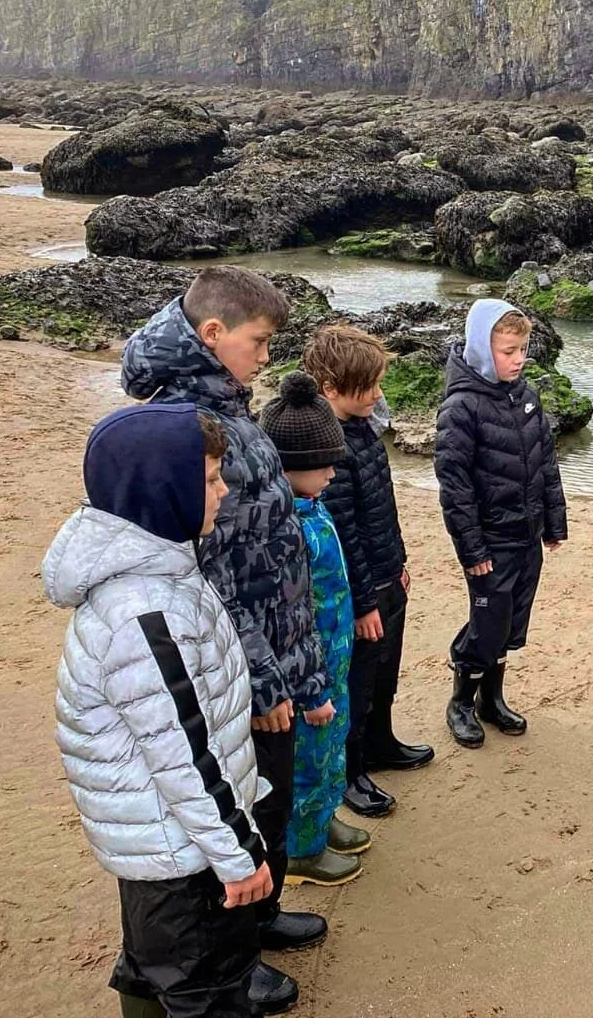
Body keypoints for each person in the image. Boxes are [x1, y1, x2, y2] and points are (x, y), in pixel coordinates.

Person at [121, 266, 323, 1014]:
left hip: (269, 648)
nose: (268, 356)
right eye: (259, 342)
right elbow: (214, 576)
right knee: (245, 807)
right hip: (241, 666)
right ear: (211, 335)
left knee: (265, 803)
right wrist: (268, 682)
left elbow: (262, 551)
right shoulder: (187, 426)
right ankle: (234, 961)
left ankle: (260, 924)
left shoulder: (229, 406)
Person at [49, 403, 270, 1018]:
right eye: (209, 478)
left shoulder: (160, 568)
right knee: (205, 988)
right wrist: (239, 853)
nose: (223, 491)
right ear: (161, 487)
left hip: (164, 841)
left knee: (155, 965)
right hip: (182, 849)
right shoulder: (147, 610)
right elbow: (183, 752)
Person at [305, 325, 433, 822]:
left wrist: (398, 564)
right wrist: (362, 604)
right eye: (370, 386)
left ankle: (381, 740)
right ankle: (352, 768)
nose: (379, 394)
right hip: (359, 588)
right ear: (331, 388)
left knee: (384, 670)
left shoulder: (365, 428)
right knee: (356, 679)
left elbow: (382, 508)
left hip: (386, 572)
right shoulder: (326, 445)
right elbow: (343, 535)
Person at [435, 300, 568, 748]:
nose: (518, 359)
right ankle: (461, 702)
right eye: (508, 350)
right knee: (487, 622)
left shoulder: (526, 397)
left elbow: (546, 463)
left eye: (523, 349)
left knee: (511, 622)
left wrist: (554, 523)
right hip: (489, 543)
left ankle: (492, 700)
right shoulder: (461, 408)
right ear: (480, 347)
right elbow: (455, 490)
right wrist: (472, 552)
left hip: (526, 534)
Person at [259, 371, 372, 887]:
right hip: (308, 673)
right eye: (321, 464)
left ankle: (323, 822)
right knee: (308, 755)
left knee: (334, 744)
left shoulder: (315, 508)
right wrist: (308, 690)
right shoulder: (284, 529)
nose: (331, 471)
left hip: (334, 655)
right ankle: (302, 848)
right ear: (287, 467)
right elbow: (282, 618)